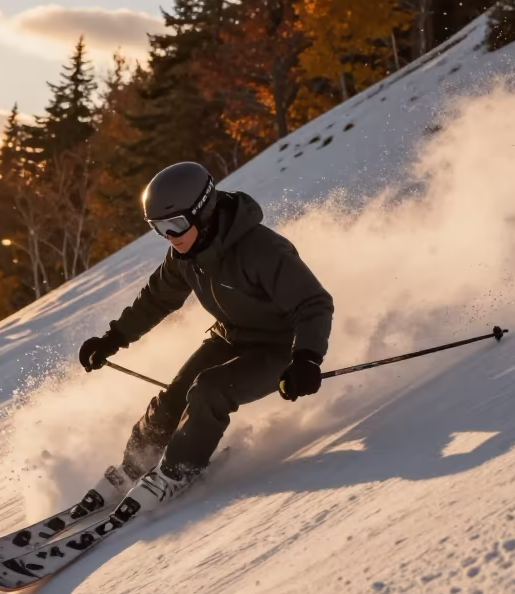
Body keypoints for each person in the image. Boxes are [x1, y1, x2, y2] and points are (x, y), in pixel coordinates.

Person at [78, 162, 334, 506]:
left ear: (203, 212)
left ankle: (176, 472)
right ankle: (133, 468)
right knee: (173, 398)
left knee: (209, 391)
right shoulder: (185, 254)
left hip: (279, 350)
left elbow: (313, 303)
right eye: (159, 228)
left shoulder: (261, 249)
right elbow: (156, 299)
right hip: (229, 336)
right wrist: (113, 339)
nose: (170, 236)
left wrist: (306, 358)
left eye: (176, 225)